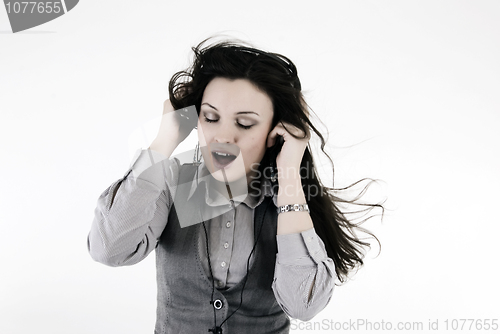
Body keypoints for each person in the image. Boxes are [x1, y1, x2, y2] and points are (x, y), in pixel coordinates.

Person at [87, 38, 380, 334]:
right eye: (211, 117)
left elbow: (304, 305)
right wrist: (165, 140)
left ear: (274, 131)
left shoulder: (291, 200)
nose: (223, 136)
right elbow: (110, 250)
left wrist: (289, 174)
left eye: (244, 123)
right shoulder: (173, 181)